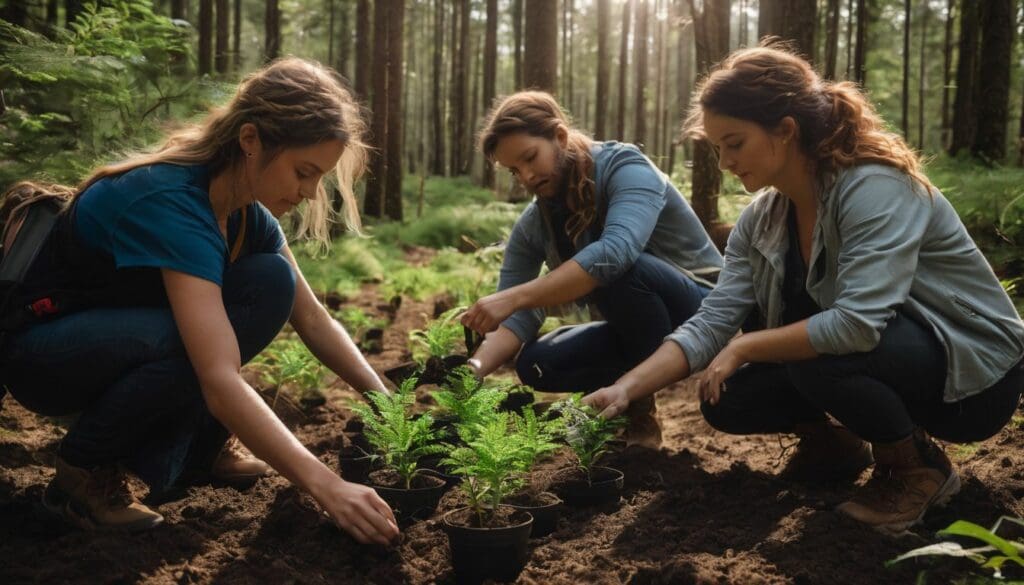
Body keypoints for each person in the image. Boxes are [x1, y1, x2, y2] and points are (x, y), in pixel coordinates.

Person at [583, 44, 1024, 533]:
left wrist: (748, 345)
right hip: (891, 355)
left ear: (786, 130)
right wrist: (625, 388)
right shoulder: (762, 218)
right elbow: (712, 321)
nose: (725, 161)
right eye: (716, 148)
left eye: (735, 143)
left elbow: (856, 325)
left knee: (810, 352)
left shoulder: (872, 187)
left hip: (976, 378)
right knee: (727, 397)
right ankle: (835, 448)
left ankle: (918, 469)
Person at [0, 58, 400, 544]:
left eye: (319, 177)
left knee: (272, 281)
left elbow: (312, 318)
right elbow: (217, 375)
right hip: (44, 356)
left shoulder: (245, 214)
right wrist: (327, 485)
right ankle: (82, 472)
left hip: (119, 342)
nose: (309, 192)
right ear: (250, 141)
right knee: (195, 343)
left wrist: (386, 403)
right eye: (303, 171)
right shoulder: (172, 202)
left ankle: (199, 453)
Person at [460, 91, 723, 448]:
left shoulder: (627, 168)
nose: (526, 176)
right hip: (639, 324)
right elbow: (516, 318)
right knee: (537, 363)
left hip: (701, 310)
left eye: (530, 158)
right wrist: (472, 371)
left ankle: (637, 410)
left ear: (560, 136)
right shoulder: (536, 223)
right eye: (514, 170)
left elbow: (616, 253)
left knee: (618, 272)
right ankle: (623, 402)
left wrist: (513, 297)